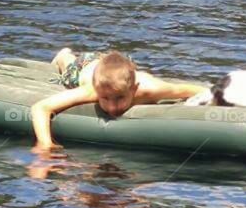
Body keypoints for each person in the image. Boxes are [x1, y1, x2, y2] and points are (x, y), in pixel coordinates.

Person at [30, 49, 208, 151]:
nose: (112, 107)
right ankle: (64, 54)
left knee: (121, 70)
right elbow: (41, 108)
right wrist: (45, 143)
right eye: (105, 99)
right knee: (68, 65)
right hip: (84, 66)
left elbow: (191, 90)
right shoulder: (93, 89)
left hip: (121, 64)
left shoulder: (151, 87)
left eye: (119, 98)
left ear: (134, 89)